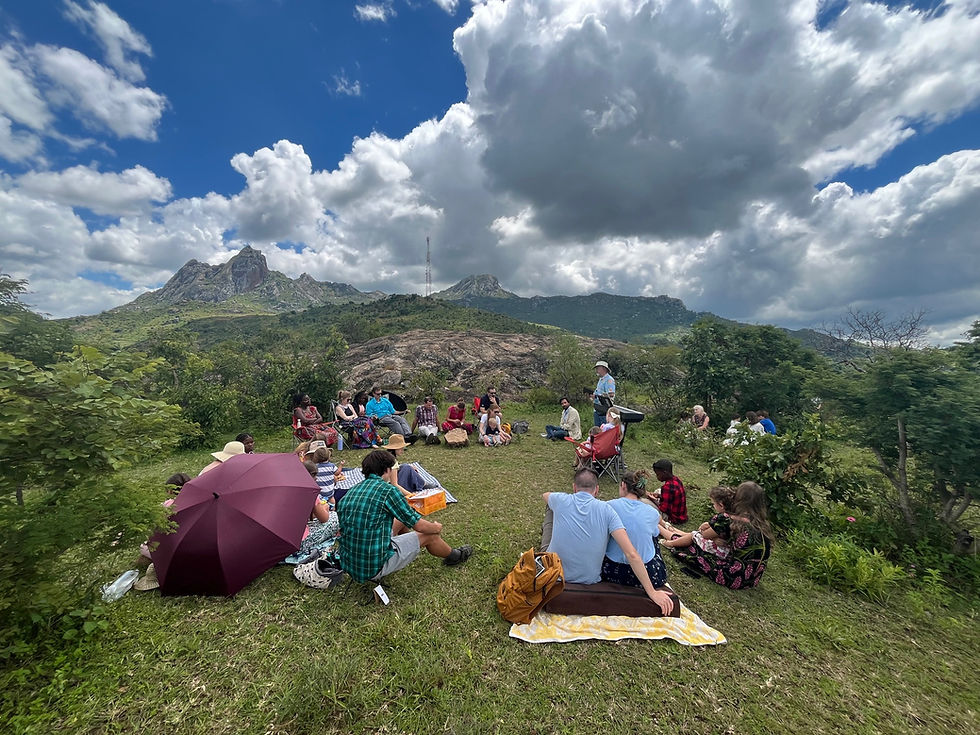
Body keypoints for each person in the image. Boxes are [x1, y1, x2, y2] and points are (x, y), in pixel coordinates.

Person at [540, 469, 673, 614]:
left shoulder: (564, 500)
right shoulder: (608, 510)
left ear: (574, 487)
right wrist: (652, 592)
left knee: (551, 508)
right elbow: (631, 553)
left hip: (556, 571)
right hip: (593, 577)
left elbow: (545, 495)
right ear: (596, 489)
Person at [337, 450, 472, 583]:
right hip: (373, 567)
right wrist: (436, 527)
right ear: (387, 470)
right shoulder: (388, 490)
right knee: (430, 535)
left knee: (401, 519)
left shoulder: (351, 492)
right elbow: (418, 525)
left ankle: (407, 545)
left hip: (350, 564)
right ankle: (455, 556)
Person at [671, 481, 773, 589]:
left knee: (693, 548)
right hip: (752, 579)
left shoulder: (732, 520)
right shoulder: (762, 524)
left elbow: (706, 535)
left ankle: (669, 537)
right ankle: (670, 531)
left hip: (732, 576)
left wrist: (714, 537)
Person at [601, 470, 669, 589]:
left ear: (623, 485)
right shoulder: (653, 513)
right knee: (653, 536)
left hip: (611, 570)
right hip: (647, 574)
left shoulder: (608, 506)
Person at [660, 486, 737, 560]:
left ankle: (671, 543)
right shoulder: (734, 516)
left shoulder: (724, 518)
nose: (713, 505)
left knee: (694, 535)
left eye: (714, 504)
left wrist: (703, 528)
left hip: (718, 550)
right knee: (691, 535)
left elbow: (705, 534)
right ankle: (666, 526)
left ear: (721, 505)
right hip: (724, 548)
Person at [307, 442, 344, 508]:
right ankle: (333, 509)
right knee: (332, 500)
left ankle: (322, 509)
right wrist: (341, 465)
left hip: (319, 493)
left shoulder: (315, 467)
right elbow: (337, 473)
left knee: (320, 504)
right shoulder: (331, 466)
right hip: (330, 492)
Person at [652, 458, 687, 524]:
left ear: (664, 473)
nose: (657, 477)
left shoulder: (667, 487)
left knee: (646, 503)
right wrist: (659, 496)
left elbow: (664, 509)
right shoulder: (676, 479)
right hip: (682, 516)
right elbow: (672, 497)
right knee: (658, 491)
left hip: (673, 518)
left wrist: (653, 500)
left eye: (658, 474)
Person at [592, 361, 616, 427]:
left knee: (604, 429)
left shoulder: (609, 380)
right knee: (597, 429)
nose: (596, 370)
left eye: (598, 368)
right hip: (598, 408)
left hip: (605, 409)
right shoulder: (601, 379)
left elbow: (611, 394)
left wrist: (599, 396)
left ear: (604, 369)